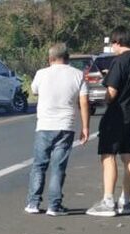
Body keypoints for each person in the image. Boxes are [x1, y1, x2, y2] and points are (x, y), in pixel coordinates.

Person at [25, 43, 90, 216]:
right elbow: (83, 102)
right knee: (58, 167)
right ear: (67, 58)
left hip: (44, 125)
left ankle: (33, 203)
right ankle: (54, 206)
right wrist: (85, 127)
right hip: (65, 126)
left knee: (39, 165)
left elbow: (34, 91)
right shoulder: (78, 75)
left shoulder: (41, 73)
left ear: (50, 59)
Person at [87, 26, 130, 217]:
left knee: (108, 155)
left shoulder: (120, 61)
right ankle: (126, 200)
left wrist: (106, 90)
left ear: (117, 42)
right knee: (128, 155)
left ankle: (108, 201)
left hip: (116, 114)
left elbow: (112, 93)